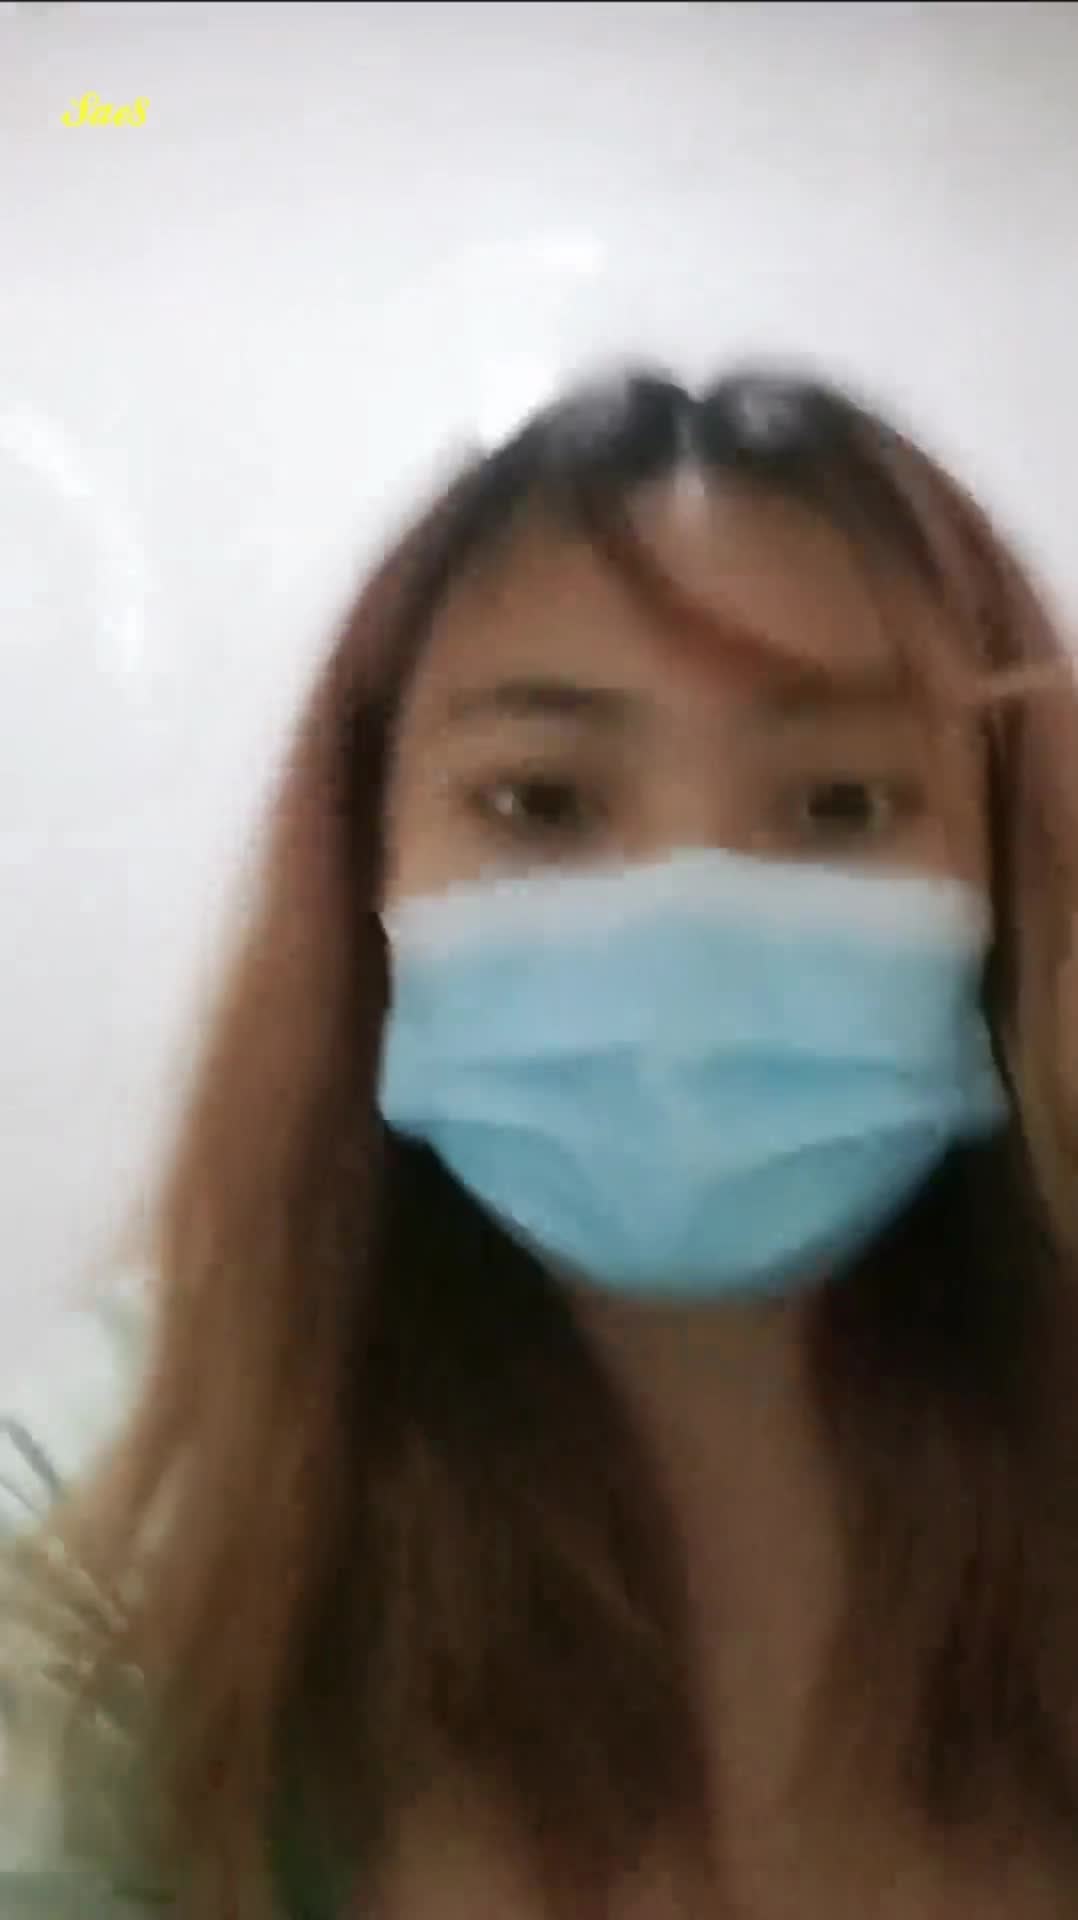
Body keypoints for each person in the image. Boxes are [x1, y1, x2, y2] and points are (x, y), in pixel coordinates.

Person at [3, 365, 1078, 1920]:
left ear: (1009, 896)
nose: (686, 912)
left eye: (842, 805)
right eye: (541, 803)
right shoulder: (129, 1503)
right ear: (370, 884)